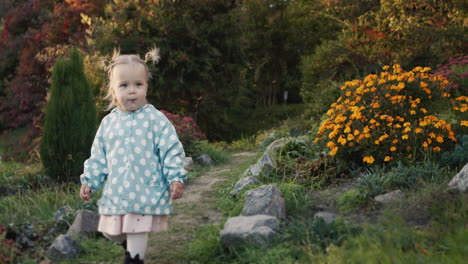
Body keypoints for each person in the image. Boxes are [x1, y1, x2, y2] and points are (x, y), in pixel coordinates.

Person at [79, 47, 187, 264]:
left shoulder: (155, 119)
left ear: (146, 86)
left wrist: (175, 176)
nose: (132, 91)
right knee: (111, 231)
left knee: (137, 228)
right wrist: (90, 180)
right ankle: (128, 246)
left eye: (138, 84)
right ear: (113, 89)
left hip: (146, 188)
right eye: (124, 85)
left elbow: (170, 149)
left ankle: (134, 259)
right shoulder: (109, 123)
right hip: (117, 190)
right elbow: (99, 155)